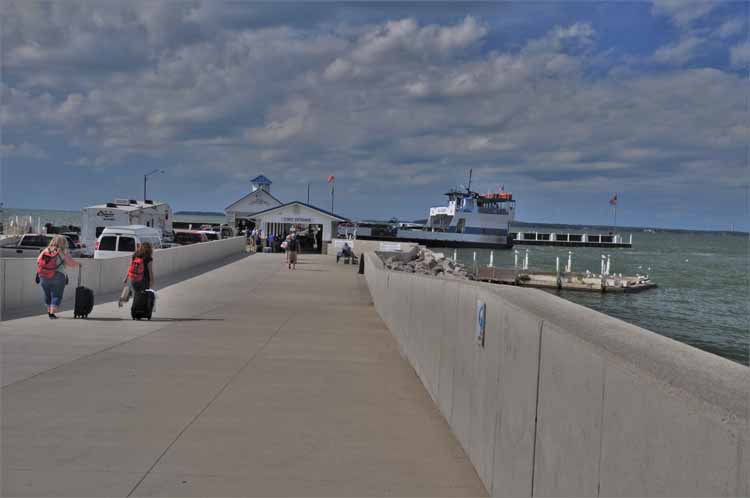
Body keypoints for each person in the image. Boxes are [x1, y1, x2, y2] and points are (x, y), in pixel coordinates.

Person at [36, 234, 80, 319]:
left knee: (47, 295)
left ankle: (50, 313)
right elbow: (71, 263)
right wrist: (78, 264)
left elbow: (38, 261)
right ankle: (52, 313)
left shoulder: (46, 250)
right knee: (56, 295)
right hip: (58, 276)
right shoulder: (63, 251)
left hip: (43, 275)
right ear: (64, 243)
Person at [118, 242, 155, 307]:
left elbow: (130, 267)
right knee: (144, 294)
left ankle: (125, 299)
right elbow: (150, 271)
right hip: (144, 280)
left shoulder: (135, 255)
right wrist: (152, 281)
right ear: (149, 249)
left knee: (136, 293)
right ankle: (140, 309)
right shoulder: (148, 258)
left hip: (134, 279)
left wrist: (126, 278)